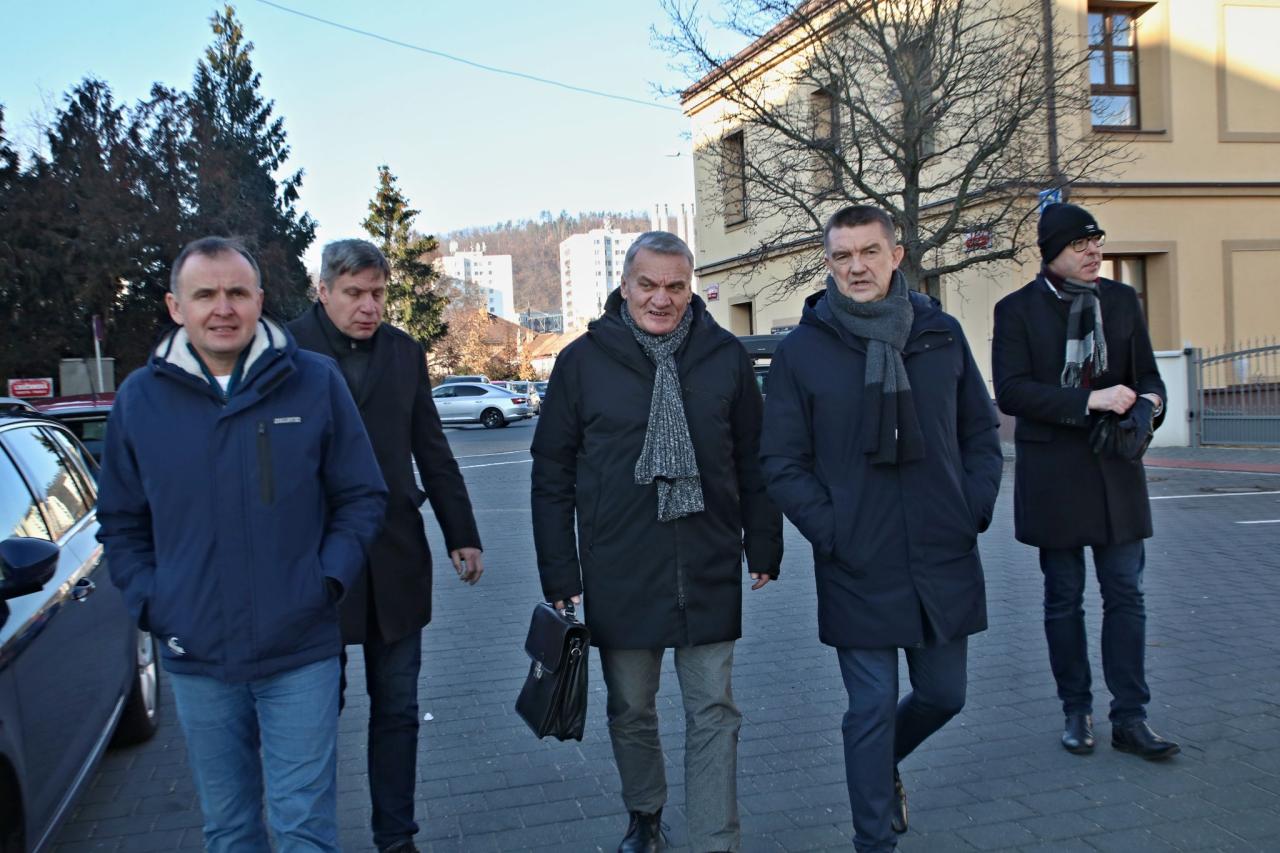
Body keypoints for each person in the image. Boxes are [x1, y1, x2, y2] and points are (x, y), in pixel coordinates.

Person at [96, 236, 388, 852]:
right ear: (176, 307)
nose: (222, 308)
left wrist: (325, 581)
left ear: (259, 299)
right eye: (205, 294)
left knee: (304, 827)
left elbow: (362, 496)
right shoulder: (140, 400)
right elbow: (121, 522)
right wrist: (154, 602)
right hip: (197, 653)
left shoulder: (314, 382)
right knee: (229, 830)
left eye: (236, 292)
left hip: (299, 649)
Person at [760, 205, 1002, 853]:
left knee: (944, 695)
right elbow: (780, 461)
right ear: (829, 263)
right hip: (858, 560)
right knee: (869, 708)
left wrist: (971, 507)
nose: (857, 266)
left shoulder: (940, 334)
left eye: (869, 251)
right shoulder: (803, 351)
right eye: (842, 256)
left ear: (896, 255)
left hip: (942, 551)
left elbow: (980, 432)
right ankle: (874, 840)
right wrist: (833, 531)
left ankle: (880, 763)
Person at [531, 231, 782, 853]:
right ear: (624, 286)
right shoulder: (582, 362)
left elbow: (755, 460)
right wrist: (561, 573)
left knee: (714, 711)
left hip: (707, 562)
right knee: (631, 709)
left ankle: (715, 841)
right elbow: (551, 474)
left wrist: (764, 543)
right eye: (648, 285)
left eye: (675, 286)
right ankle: (645, 814)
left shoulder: (723, 357)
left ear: (690, 288)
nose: (661, 299)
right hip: (620, 567)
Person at [290, 238, 484, 853]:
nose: (369, 306)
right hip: (312, 564)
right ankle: (308, 839)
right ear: (323, 291)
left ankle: (396, 838)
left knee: (398, 709)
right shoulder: (285, 350)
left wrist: (462, 533)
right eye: (354, 294)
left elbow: (432, 448)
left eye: (377, 293)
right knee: (311, 716)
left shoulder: (404, 352)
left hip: (396, 559)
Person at [992, 202, 1179, 760]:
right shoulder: (1017, 310)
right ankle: (1076, 709)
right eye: (1080, 244)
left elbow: (1148, 375)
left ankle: (1131, 717)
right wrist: (1089, 400)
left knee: (1126, 594)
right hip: (1055, 475)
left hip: (1115, 470)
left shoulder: (1120, 300)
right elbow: (1012, 392)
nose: (1094, 252)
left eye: (1096, 241)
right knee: (1063, 598)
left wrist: (1148, 404)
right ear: (1052, 253)